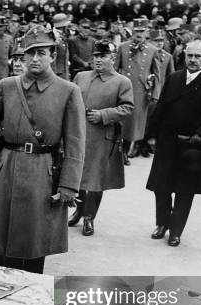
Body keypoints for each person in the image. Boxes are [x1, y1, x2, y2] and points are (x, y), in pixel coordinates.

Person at [0, 26, 85, 274]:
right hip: (7, 169)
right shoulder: (7, 86)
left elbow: (75, 144)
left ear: (53, 55)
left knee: (34, 245)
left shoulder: (68, 91)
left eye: (41, 53)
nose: (34, 59)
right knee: (1, 243)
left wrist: (68, 186)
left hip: (43, 174)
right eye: (28, 54)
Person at [145, 40, 201, 247]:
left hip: (193, 147)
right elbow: (161, 107)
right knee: (161, 187)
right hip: (167, 143)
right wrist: (152, 135)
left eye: (198, 56)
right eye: (190, 56)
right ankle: (162, 224)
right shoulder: (174, 78)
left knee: (185, 191)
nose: (192, 60)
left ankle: (176, 231)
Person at [71, 40, 134, 236]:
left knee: (96, 179)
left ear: (112, 58)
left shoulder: (122, 82)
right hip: (78, 134)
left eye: (103, 56)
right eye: (96, 56)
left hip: (102, 137)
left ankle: (90, 217)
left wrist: (103, 115)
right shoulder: (80, 76)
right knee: (77, 175)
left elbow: (127, 108)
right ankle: (79, 211)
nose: (98, 60)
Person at [114, 18, 161, 160]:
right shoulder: (123, 47)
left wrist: (156, 94)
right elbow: (115, 69)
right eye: (136, 31)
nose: (139, 34)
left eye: (142, 31)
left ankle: (130, 148)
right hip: (124, 89)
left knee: (136, 122)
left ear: (147, 31)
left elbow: (157, 73)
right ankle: (121, 150)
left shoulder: (152, 50)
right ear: (132, 31)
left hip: (141, 91)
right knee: (122, 119)